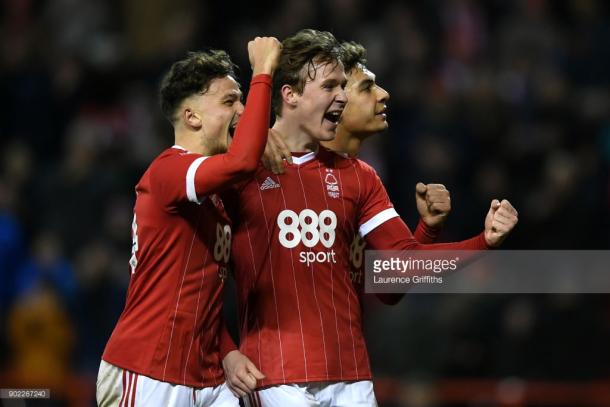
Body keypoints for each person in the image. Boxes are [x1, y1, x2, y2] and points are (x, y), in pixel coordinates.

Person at [223, 29, 517, 407]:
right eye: (334, 86)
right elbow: (200, 274)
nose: (342, 98)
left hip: (352, 378)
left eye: (346, 87)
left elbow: (394, 276)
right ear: (290, 94)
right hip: (276, 376)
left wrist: (482, 241)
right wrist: (227, 350)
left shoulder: (359, 176)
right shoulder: (242, 167)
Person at [97, 36, 281, 407]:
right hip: (148, 368)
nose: (243, 110)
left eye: (243, 99)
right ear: (192, 116)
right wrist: (262, 72)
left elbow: (206, 293)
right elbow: (241, 162)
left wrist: (227, 350)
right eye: (230, 101)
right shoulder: (168, 170)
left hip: (207, 373)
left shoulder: (218, 196)